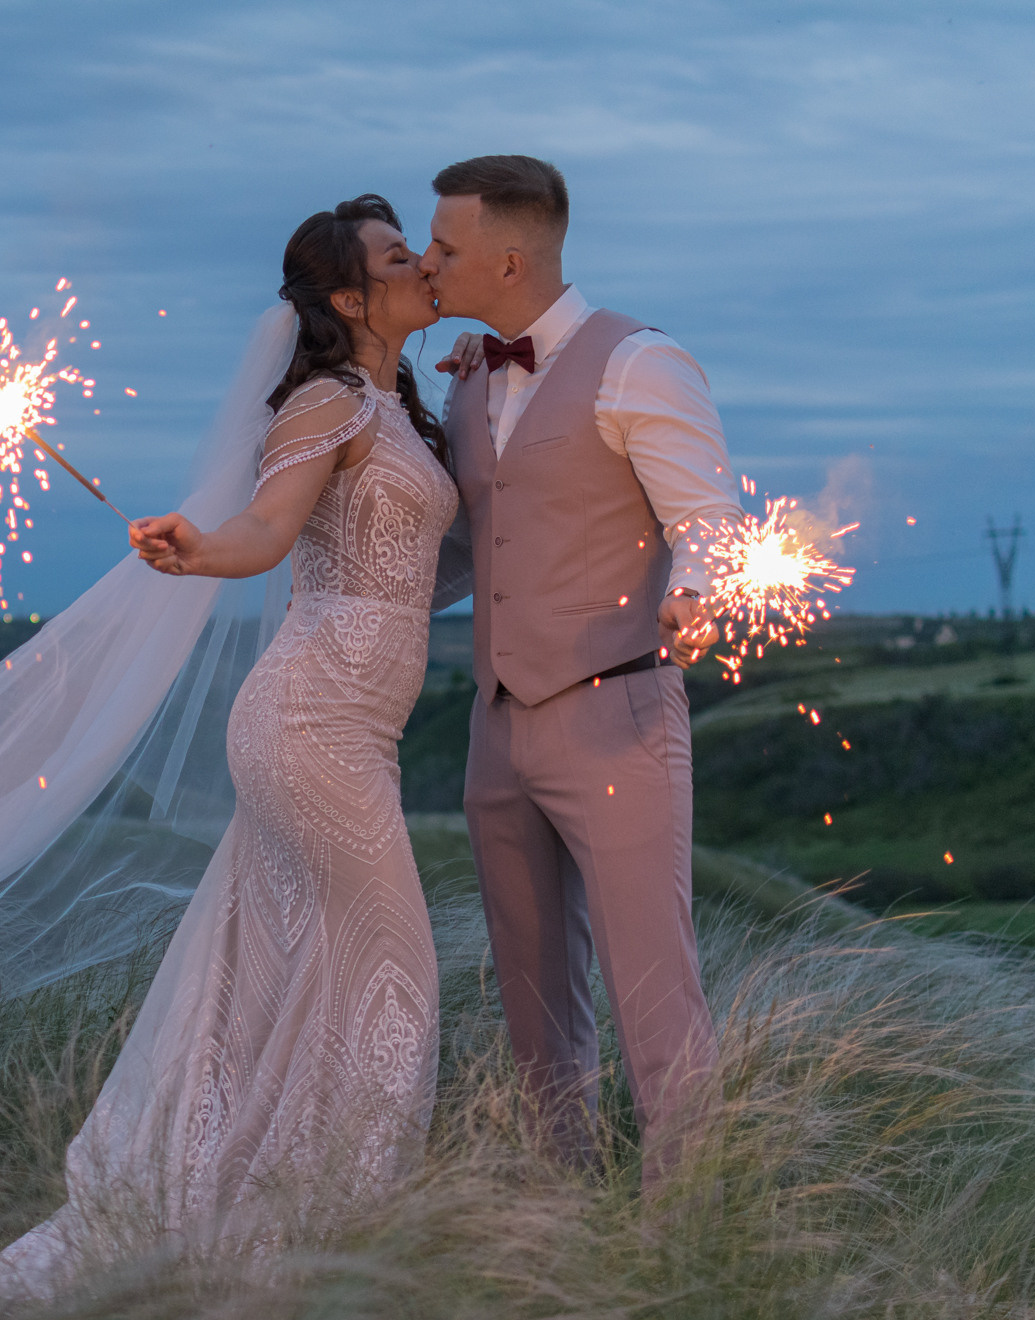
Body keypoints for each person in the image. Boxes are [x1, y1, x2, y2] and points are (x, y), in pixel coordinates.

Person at [0, 194, 464, 1299]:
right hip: (309, 720)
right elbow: (268, 527)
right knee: (394, 976)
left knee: (292, 984)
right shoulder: (328, 402)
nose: (422, 265)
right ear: (350, 300)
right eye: (397, 257)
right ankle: (332, 1234)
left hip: (362, 733)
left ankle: (252, 1214)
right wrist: (201, 550)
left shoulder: (403, 408)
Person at [418, 154, 741, 1184]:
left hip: (619, 715)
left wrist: (696, 591)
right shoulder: (469, 379)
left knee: (655, 992)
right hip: (496, 728)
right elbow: (479, 548)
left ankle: (691, 1218)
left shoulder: (642, 363)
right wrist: (362, 591)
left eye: (445, 247)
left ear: (509, 262)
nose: (428, 262)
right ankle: (558, 1210)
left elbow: (710, 520)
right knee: (531, 993)